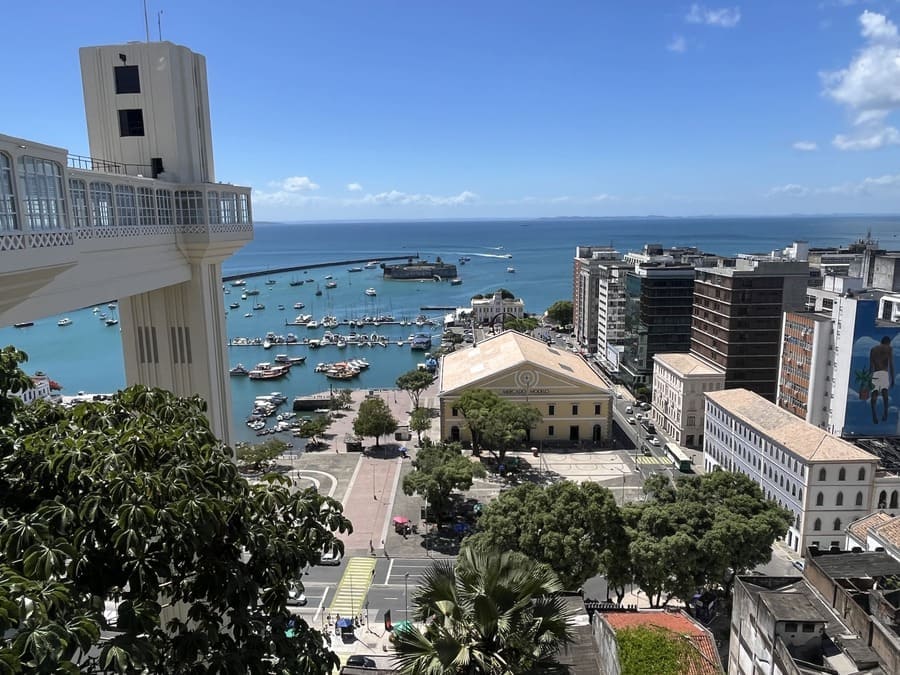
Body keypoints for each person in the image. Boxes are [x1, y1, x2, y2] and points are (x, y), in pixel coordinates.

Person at [870, 336, 895, 424]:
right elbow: (891, 364)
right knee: (885, 395)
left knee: (874, 395)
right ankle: (885, 413)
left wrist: (869, 378)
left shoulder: (873, 350)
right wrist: (892, 379)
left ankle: (874, 414)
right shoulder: (888, 349)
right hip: (884, 373)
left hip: (876, 373)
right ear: (888, 342)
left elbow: (871, 366)